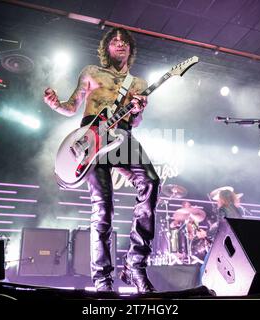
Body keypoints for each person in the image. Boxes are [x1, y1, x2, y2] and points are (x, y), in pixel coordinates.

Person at [43, 27, 159, 293]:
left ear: (130, 48)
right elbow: (71, 106)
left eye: (124, 41)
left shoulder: (138, 84)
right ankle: (102, 280)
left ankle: (136, 265)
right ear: (106, 47)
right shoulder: (91, 72)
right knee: (103, 209)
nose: (119, 44)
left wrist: (139, 111)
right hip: (91, 138)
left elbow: (136, 121)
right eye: (114, 40)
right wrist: (54, 103)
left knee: (151, 181)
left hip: (121, 135)